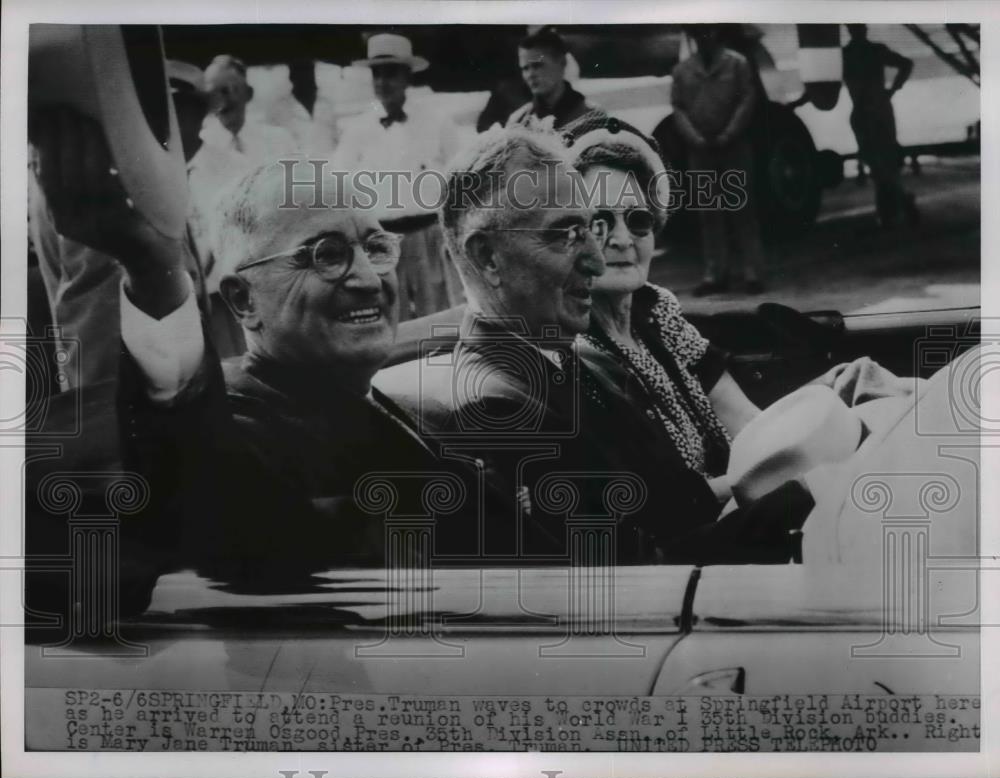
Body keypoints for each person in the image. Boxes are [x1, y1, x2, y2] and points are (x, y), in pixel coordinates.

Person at [28, 107, 501, 592]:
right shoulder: (240, 424)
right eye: (327, 255)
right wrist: (155, 275)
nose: (368, 280)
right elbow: (227, 504)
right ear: (242, 299)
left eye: (376, 247)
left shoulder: (365, 406)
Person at [376, 125, 815, 564]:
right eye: (566, 234)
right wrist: (801, 502)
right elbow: (632, 576)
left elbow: (683, 504)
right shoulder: (496, 410)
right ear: (488, 258)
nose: (597, 259)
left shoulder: (587, 362)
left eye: (591, 229)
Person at [564, 113, 762, 504]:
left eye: (638, 221)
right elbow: (662, 509)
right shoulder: (573, 352)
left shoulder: (657, 311)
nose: (623, 239)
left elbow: (747, 422)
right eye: (601, 221)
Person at [27, 60, 210, 390]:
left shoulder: (145, 175)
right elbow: (102, 329)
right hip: (138, 403)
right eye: (174, 108)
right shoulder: (115, 182)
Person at [334, 33, 464, 320]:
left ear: (407, 77)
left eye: (391, 73)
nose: (382, 82)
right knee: (392, 318)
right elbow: (338, 188)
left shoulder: (437, 122)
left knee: (439, 316)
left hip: (428, 235)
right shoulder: (358, 130)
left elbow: (462, 178)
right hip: (382, 240)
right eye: (376, 74)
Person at [187, 54, 300, 353]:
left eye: (231, 89)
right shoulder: (197, 153)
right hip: (226, 284)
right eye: (216, 90)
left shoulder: (278, 141)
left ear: (248, 93)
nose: (224, 99)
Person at [671, 24, 765, 296]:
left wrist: (729, 132)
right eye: (698, 33)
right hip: (700, 150)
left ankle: (753, 272)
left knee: (742, 210)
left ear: (718, 33)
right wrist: (694, 136)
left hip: (733, 146)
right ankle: (715, 273)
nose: (704, 37)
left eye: (708, 31)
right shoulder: (682, 71)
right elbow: (678, 107)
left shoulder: (737, 64)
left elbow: (748, 98)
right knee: (708, 213)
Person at [842, 24, 919, 229]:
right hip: (880, 111)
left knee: (876, 164)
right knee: (884, 162)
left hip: (862, 114)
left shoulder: (844, 55)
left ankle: (890, 209)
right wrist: (892, 90)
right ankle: (896, 205)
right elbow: (906, 64)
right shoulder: (876, 51)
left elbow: (825, 82)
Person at [507, 27, 599, 130]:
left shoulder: (592, 117)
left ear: (562, 63)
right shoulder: (518, 121)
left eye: (537, 66)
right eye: (525, 68)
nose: (530, 74)